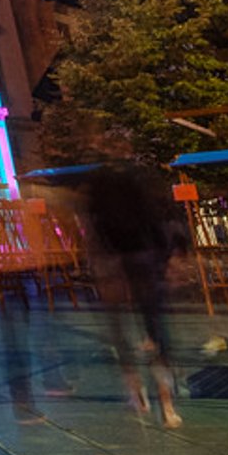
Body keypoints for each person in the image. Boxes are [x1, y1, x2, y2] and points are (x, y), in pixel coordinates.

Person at [81, 159, 188, 427]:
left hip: (117, 259)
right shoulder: (139, 176)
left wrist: (96, 258)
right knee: (153, 329)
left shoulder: (100, 178)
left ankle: (139, 393)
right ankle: (166, 404)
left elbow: (91, 223)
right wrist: (169, 256)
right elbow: (159, 217)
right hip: (140, 257)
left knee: (123, 332)